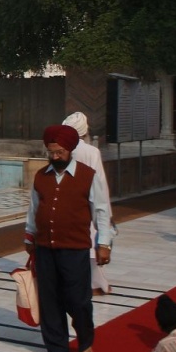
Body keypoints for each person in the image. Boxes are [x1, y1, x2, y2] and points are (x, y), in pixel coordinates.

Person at [24, 124, 112, 352]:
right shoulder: (41, 176)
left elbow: (102, 210)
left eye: (59, 152)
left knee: (78, 299)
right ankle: (57, 348)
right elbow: (34, 209)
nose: (55, 156)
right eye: (51, 152)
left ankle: (85, 340)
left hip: (75, 248)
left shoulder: (88, 175)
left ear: (70, 150)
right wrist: (29, 235)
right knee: (49, 299)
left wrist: (104, 243)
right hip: (45, 247)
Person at [62, 112, 116, 295]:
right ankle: (94, 285)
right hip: (89, 204)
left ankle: (93, 283)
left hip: (67, 205)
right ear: (84, 131)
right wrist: (107, 213)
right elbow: (100, 184)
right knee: (94, 241)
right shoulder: (92, 152)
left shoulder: (62, 150)